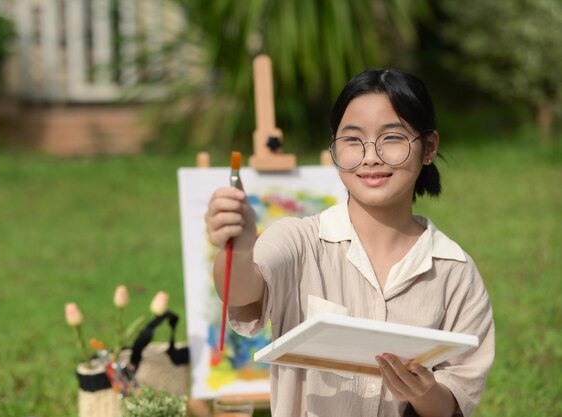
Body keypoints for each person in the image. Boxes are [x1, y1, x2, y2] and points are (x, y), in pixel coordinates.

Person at [205, 68, 495, 417]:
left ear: (429, 148)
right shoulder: (297, 241)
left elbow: (454, 405)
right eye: (353, 140)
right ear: (334, 149)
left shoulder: (455, 272)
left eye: (392, 138)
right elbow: (239, 293)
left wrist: (425, 392)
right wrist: (238, 246)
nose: (370, 156)